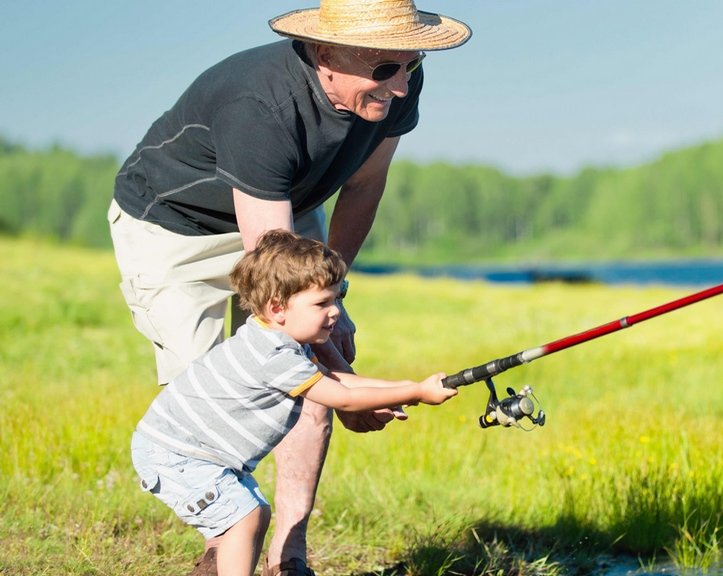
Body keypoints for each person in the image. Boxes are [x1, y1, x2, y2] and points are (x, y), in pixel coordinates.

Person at [108, 0, 471, 574]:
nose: (400, 86)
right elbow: (278, 275)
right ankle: (224, 537)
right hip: (178, 230)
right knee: (224, 389)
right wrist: (341, 378)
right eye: (384, 70)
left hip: (286, 211)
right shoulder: (260, 106)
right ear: (325, 55)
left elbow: (363, 186)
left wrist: (337, 297)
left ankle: (289, 553)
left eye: (411, 63)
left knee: (307, 370)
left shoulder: (399, 79)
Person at [131, 229, 457, 576]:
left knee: (254, 512)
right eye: (322, 303)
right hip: (178, 456)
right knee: (247, 515)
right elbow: (342, 397)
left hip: (194, 454)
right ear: (278, 308)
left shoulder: (279, 338)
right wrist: (417, 392)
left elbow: (340, 381)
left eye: (337, 298)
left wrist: (411, 386)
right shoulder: (271, 353)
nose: (335, 313)